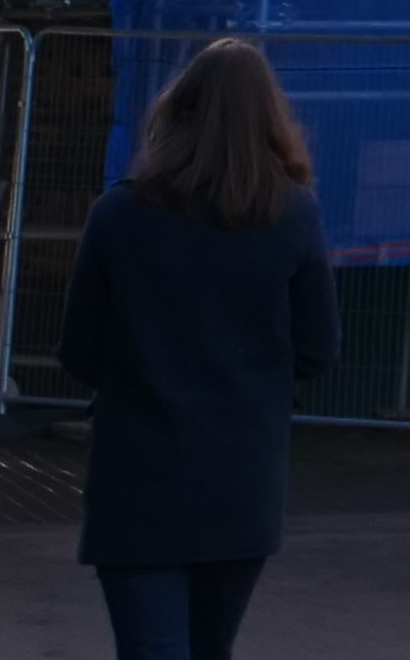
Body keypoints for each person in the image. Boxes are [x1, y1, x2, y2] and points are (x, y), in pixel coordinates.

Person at [58, 35, 337, 660]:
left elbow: (77, 351)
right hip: (241, 480)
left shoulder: (118, 215)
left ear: (175, 113)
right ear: (271, 120)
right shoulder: (294, 215)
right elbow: (319, 350)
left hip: (137, 480)